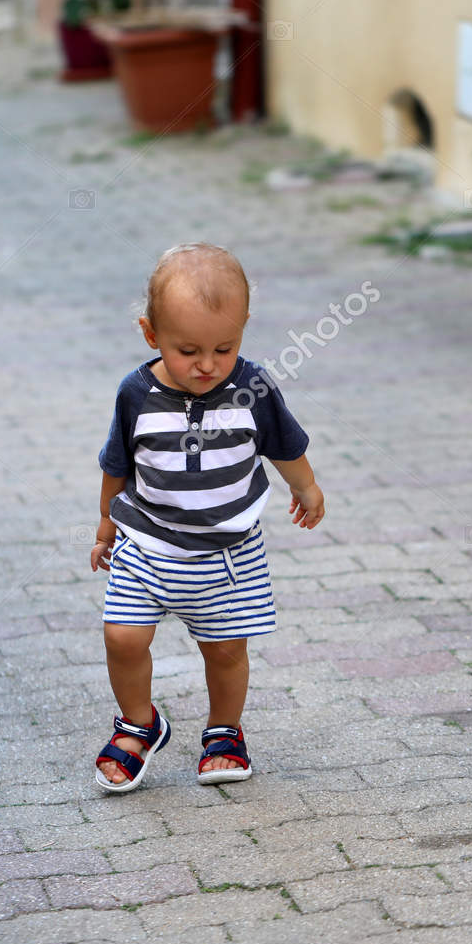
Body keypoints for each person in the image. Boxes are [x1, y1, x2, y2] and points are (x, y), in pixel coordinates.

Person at [90, 243, 325, 792]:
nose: (207, 365)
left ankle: (224, 732)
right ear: (151, 334)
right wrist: (105, 526)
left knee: (224, 650)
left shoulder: (253, 388)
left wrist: (307, 487)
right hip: (145, 546)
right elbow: (117, 464)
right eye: (188, 350)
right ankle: (138, 725)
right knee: (122, 637)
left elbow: (284, 446)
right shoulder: (135, 394)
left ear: (244, 328)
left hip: (227, 557)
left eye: (225, 348)